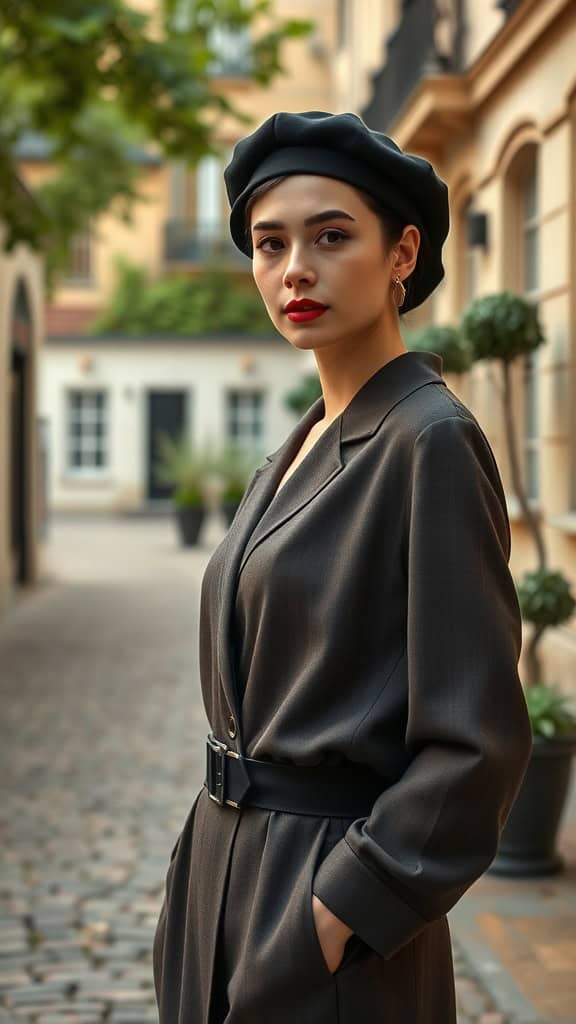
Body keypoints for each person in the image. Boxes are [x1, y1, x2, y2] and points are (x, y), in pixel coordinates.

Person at [152, 110, 532, 1024]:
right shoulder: (295, 447)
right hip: (222, 881)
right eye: (269, 243)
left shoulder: (429, 440)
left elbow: (476, 742)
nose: (295, 270)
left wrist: (339, 913)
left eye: (331, 236)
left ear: (403, 254)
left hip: (326, 906)